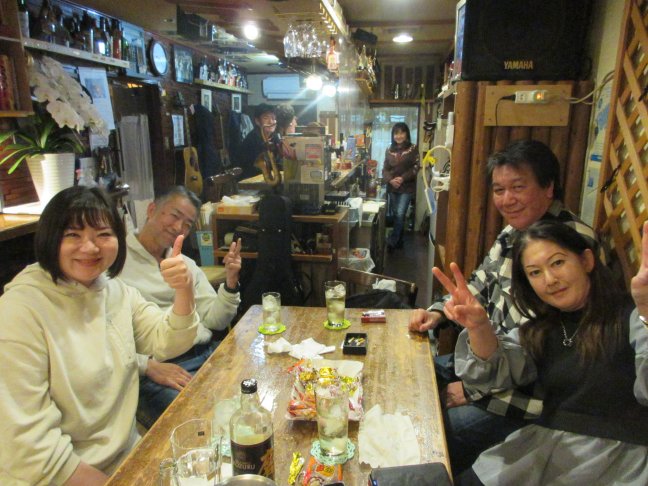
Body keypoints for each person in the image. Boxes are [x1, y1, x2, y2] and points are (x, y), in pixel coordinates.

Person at [408, 139, 599, 474]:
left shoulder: (568, 244)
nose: (507, 199)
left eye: (518, 187)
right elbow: (478, 285)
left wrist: (473, 390)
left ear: (548, 187)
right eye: (499, 190)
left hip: (534, 395)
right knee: (415, 372)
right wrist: (438, 313)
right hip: (489, 359)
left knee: (436, 431)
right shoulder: (513, 232)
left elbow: (548, 351)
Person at [0, 186, 198, 485]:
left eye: (103, 234)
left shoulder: (114, 291)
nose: (90, 247)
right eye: (73, 235)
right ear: (50, 238)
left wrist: (184, 289)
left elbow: (166, 341)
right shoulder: (19, 311)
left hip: (125, 458)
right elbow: (28, 447)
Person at [437, 220, 648, 485]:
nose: (550, 280)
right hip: (547, 448)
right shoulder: (543, 328)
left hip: (617, 462)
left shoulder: (631, 318)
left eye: (558, 263)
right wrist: (479, 327)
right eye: (535, 272)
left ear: (586, 261)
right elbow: (495, 372)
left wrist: (646, 311)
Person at [120, 186, 241, 428]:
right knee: (200, 426)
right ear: (151, 210)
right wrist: (146, 365)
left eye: (187, 224)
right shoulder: (117, 262)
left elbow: (215, 320)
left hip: (205, 352)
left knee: (253, 395)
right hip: (160, 368)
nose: (178, 228)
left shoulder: (185, 263)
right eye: (174, 216)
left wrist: (230, 281)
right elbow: (106, 337)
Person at [382, 122, 420, 252]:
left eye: (402, 133)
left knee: (400, 213)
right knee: (397, 215)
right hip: (392, 187)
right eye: (396, 133)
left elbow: (416, 167)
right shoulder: (389, 150)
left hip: (407, 187)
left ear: (406, 134)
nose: (399, 136)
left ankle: (392, 241)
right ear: (393, 135)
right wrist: (390, 180)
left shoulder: (413, 148)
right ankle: (399, 241)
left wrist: (402, 178)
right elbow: (385, 169)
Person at [237, 103, 280, 180]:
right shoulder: (251, 140)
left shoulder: (275, 137)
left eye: (273, 118)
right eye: (266, 118)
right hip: (251, 180)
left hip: (267, 178)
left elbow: (278, 160)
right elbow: (251, 169)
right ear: (257, 121)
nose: (271, 122)